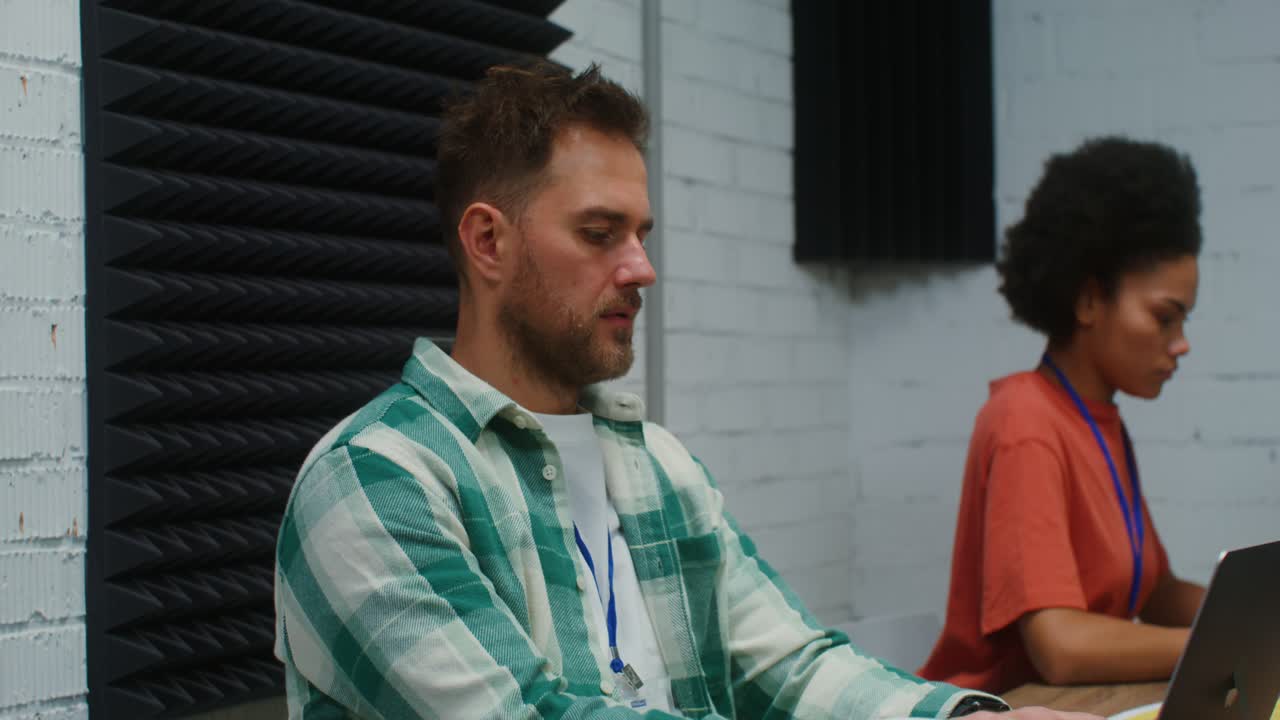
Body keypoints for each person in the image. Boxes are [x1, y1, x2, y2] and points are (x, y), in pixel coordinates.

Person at [273, 61, 1095, 719]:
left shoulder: (655, 465)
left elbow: (785, 666)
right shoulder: (375, 485)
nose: (641, 269)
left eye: (641, 235)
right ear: (489, 241)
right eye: (600, 234)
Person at [918, 137, 1208, 694]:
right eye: (1165, 318)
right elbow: (1062, 646)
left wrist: (1256, 617)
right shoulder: (1024, 420)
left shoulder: (1101, 422)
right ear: (1088, 300)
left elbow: (1154, 591)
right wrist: (1217, 647)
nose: (1181, 344)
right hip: (1010, 706)